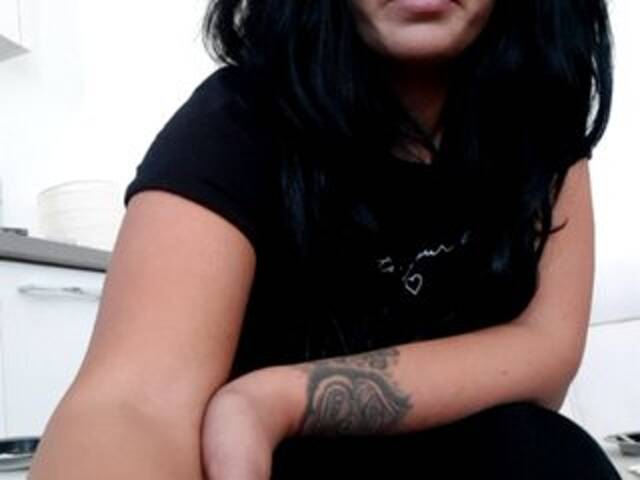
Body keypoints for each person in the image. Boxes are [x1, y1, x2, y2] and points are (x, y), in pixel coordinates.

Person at [27, 0, 620, 479]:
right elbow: (135, 401)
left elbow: (546, 348)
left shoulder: (541, 125)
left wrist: (279, 398)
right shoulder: (234, 121)